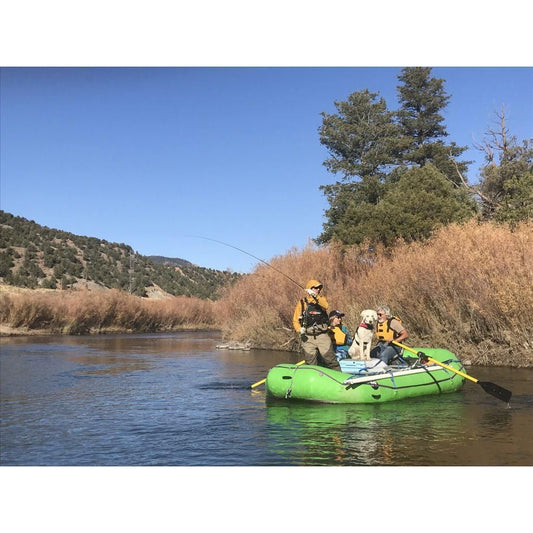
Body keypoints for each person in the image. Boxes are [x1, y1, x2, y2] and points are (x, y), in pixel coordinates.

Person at [292, 279, 341, 371]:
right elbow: (295, 320)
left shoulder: (322, 300)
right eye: (315, 288)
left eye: (319, 288)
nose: (318, 290)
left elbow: (326, 306)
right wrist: (299, 329)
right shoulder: (302, 303)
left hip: (322, 335)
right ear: (309, 288)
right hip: (307, 337)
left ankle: (339, 378)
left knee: (330, 360)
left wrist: (315, 296)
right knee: (310, 363)